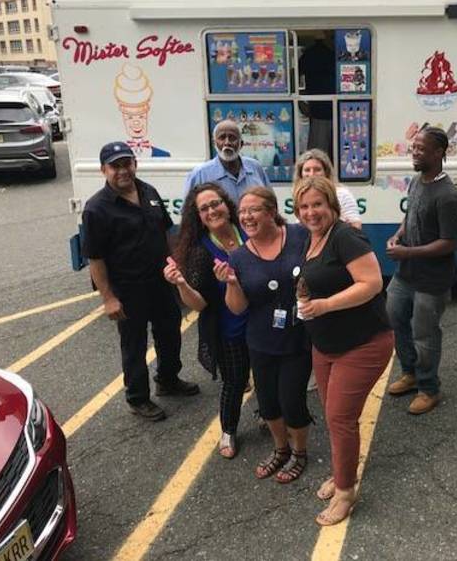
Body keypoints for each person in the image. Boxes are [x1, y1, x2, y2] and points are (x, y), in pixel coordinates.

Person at [293, 176, 394, 526]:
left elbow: (372, 283)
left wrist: (324, 306)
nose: (311, 212)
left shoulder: (344, 236)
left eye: (317, 204)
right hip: (326, 345)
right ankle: (341, 474)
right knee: (335, 416)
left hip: (363, 343)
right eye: (304, 206)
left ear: (332, 206)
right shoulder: (313, 237)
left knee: (339, 418)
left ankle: (346, 492)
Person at [82, 142, 199, 422]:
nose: (123, 171)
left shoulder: (149, 192)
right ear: (103, 170)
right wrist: (108, 298)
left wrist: (177, 268)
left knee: (170, 332)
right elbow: (95, 259)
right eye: (115, 166)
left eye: (127, 163)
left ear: (135, 163)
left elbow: (165, 231)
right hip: (128, 288)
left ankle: (168, 380)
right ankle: (138, 398)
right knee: (134, 346)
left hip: (160, 283)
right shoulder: (96, 209)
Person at [215, 187, 312, 483]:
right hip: (260, 340)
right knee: (268, 402)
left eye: (253, 210)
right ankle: (280, 448)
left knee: (292, 401)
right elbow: (237, 307)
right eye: (242, 212)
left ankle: (299, 452)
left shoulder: (298, 235)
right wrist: (231, 283)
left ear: (271, 211)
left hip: (297, 337)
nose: (246, 217)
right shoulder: (240, 257)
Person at [163, 183, 249, 458]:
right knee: (234, 382)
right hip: (229, 331)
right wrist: (181, 284)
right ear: (197, 216)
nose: (212, 210)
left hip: (261, 325)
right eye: (204, 208)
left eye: (216, 203)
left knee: (267, 375)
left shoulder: (248, 230)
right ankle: (228, 430)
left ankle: (265, 414)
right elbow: (199, 304)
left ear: (227, 204)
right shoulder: (200, 252)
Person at [385, 127, 457, 415]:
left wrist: (407, 252)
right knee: (395, 320)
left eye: (420, 149)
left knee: (424, 334)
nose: (414, 153)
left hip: (432, 280)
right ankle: (411, 373)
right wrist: (398, 235)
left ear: (438, 153)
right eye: (413, 147)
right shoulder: (418, 181)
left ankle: (430, 388)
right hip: (405, 274)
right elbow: (410, 217)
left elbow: (451, 242)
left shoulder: (447, 195)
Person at [183, 120, 271, 204]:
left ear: (241, 144)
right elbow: (188, 213)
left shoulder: (255, 167)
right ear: (214, 143)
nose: (227, 143)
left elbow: (270, 203)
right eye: (222, 137)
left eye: (232, 138)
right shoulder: (200, 174)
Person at [293, 148, 362, 229]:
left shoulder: (342, 194)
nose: (312, 174)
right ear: (300, 174)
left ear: (326, 172)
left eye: (317, 169)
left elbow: (356, 227)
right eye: (307, 170)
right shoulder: (300, 196)